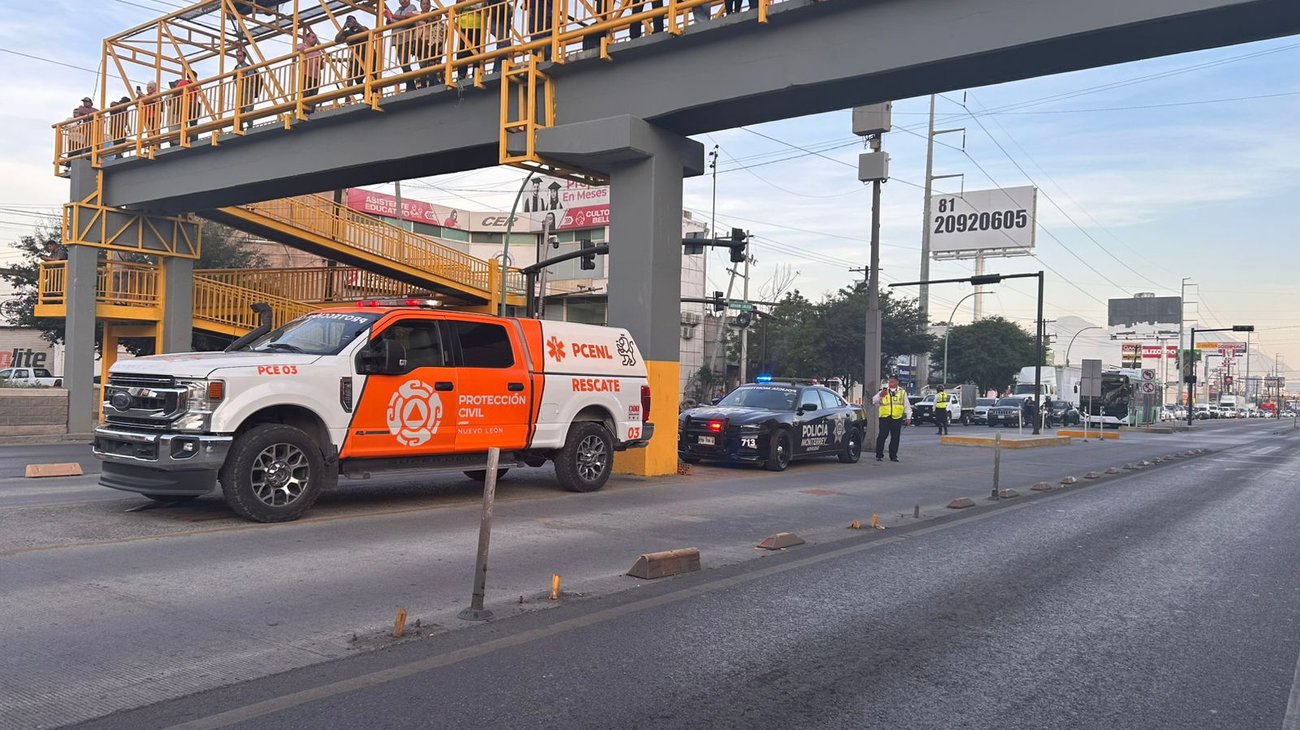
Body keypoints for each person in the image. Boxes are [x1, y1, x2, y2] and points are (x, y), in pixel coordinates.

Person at [873, 375, 911, 462]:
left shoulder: (902, 392)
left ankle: (893, 456)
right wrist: (880, 396)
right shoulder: (884, 390)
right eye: (890, 381)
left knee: (895, 437)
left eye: (893, 381)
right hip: (884, 417)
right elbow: (874, 400)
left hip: (897, 418)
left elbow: (907, 405)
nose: (891, 383)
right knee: (882, 435)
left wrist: (908, 417)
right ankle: (879, 455)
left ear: (897, 382)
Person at [387, 0, 422, 92]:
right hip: (397, 39)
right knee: (403, 63)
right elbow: (391, 22)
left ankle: (411, 85)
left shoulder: (412, 7)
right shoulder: (397, 11)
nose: (404, 0)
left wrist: (392, 16)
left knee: (404, 62)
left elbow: (407, 18)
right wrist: (388, 18)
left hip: (406, 38)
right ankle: (410, 84)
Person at [336, 16, 372, 98]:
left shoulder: (362, 28)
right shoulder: (347, 32)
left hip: (368, 54)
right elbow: (337, 39)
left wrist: (357, 24)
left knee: (373, 75)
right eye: (348, 21)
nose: (350, 22)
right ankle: (366, 94)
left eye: (351, 20)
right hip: (357, 56)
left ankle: (374, 93)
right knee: (357, 78)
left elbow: (368, 33)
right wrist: (343, 28)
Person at [414, 0, 447, 87]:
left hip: (433, 43)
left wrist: (443, 44)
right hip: (424, 42)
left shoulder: (440, 23)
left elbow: (445, 34)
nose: (425, 5)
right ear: (420, 5)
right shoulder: (418, 14)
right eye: (423, 3)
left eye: (427, 3)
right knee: (424, 64)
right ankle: (424, 84)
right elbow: (409, 15)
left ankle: (436, 81)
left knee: (434, 62)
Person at [233, 48, 263, 130]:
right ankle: (239, 127)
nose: (238, 57)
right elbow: (234, 79)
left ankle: (250, 126)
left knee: (248, 108)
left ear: (244, 57)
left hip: (248, 90)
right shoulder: (236, 68)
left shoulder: (248, 67)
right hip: (240, 91)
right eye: (237, 56)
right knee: (239, 110)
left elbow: (251, 79)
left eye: (240, 56)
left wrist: (244, 78)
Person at [455, 2, 484, 81]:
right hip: (463, 25)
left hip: (476, 25)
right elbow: (457, 7)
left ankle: (476, 74)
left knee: (476, 50)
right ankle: (461, 75)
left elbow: (482, 5)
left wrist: (469, 5)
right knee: (462, 52)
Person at [297, 26, 323, 111]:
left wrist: (321, 61)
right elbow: (297, 49)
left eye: (315, 38)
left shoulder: (318, 51)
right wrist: (301, 51)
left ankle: (311, 111)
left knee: (313, 96)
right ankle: (303, 111)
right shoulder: (302, 46)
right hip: (305, 74)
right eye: (313, 37)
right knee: (304, 94)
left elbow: (321, 67)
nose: (315, 40)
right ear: (307, 38)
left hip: (316, 76)